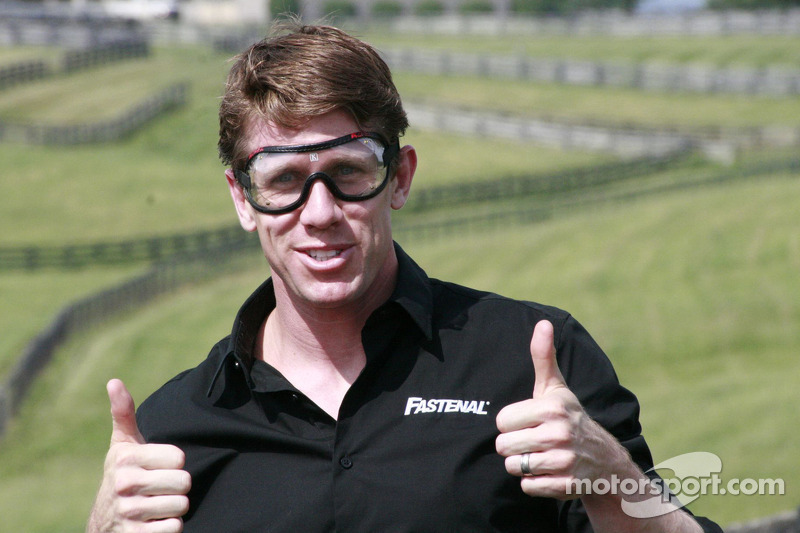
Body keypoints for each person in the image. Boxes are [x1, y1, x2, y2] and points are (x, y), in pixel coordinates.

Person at [87, 22, 721, 533]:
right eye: (282, 180)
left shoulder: (533, 363)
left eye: (350, 171)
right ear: (242, 199)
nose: (320, 212)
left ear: (402, 176)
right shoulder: (173, 430)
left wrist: (611, 476)